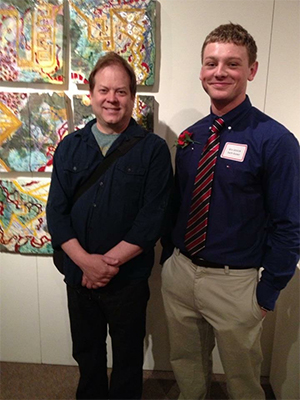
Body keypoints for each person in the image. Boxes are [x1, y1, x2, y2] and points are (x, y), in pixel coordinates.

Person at [161, 23, 299, 400]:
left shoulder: (276, 141)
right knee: (186, 364)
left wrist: (267, 293)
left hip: (235, 284)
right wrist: (168, 262)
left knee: (242, 380)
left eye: (232, 64)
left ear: (251, 71)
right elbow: (177, 202)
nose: (219, 72)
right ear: (202, 69)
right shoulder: (192, 136)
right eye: (211, 63)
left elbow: (290, 224)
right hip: (181, 273)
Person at [46, 52, 173, 399]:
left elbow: (153, 219)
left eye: (121, 92)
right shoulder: (70, 147)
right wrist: (87, 263)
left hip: (127, 282)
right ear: (91, 95)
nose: (111, 99)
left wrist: (105, 265)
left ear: (133, 97)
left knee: (128, 358)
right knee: (87, 354)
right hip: (78, 276)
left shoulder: (153, 150)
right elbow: (56, 215)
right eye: (104, 90)